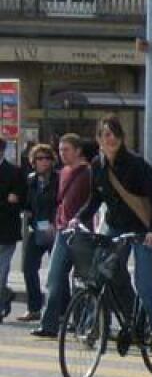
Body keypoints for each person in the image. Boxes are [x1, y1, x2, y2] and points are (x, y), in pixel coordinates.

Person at [77, 118, 152, 353]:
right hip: (116, 226)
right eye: (105, 135)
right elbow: (95, 198)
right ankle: (103, 324)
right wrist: (77, 219)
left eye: (114, 134)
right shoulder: (97, 165)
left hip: (141, 229)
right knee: (103, 273)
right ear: (98, 139)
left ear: (121, 137)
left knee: (144, 283)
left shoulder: (137, 165)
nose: (111, 139)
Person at [32, 134, 92, 339]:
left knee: (83, 281)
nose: (62, 153)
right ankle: (48, 325)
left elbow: (93, 202)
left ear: (77, 150)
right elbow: (61, 202)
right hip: (62, 231)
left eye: (66, 149)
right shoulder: (63, 172)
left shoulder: (88, 172)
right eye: (60, 149)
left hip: (83, 233)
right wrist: (57, 222)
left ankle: (84, 323)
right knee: (54, 278)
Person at [18, 144, 57, 321]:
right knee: (28, 268)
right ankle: (34, 308)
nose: (43, 162)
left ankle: (61, 310)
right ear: (33, 162)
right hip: (37, 229)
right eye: (39, 158)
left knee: (57, 271)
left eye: (47, 158)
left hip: (55, 229)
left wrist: (55, 222)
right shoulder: (31, 180)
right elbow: (26, 203)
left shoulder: (58, 178)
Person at [0, 139, 24, 322]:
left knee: (2, 271)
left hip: (6, 231)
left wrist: (10, 202)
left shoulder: (14, 172)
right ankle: (5, 295)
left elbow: (18, 202)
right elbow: (9, 201)